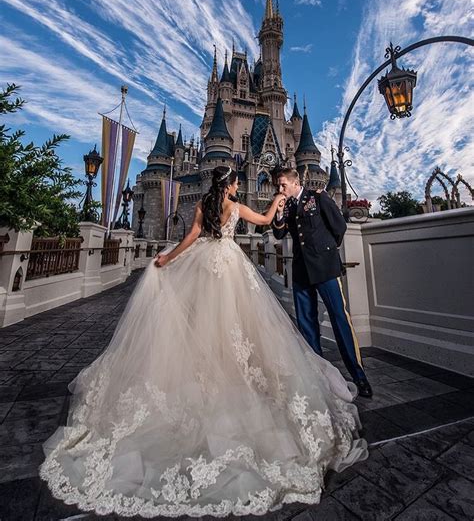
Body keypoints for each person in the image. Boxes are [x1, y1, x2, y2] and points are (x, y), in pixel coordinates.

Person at [40, 165, 368, 517]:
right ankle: (233, 379)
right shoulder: (236, 206)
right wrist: (275, 201)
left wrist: (167, 257)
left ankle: (211, 376)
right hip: (230, 267)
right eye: (239, 182)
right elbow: (263, 221)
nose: (244, 186)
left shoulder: (204, 206)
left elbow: (192, 236)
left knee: (204, 324)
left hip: (207, 265)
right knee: (239, 325)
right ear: (232, 185)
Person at [272, 168, 373, 398]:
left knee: (340, 320)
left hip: (325, 269)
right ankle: (318, 375)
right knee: (307, 325)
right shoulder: (286, 206)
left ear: (295, 182)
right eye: (278, 186)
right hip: (301, 271)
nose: (279, 189)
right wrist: (278, 215)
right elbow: (278, 236)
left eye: (282, 185)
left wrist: (326, 252)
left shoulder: (317, 197)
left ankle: (359, 376)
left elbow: (339, 227)